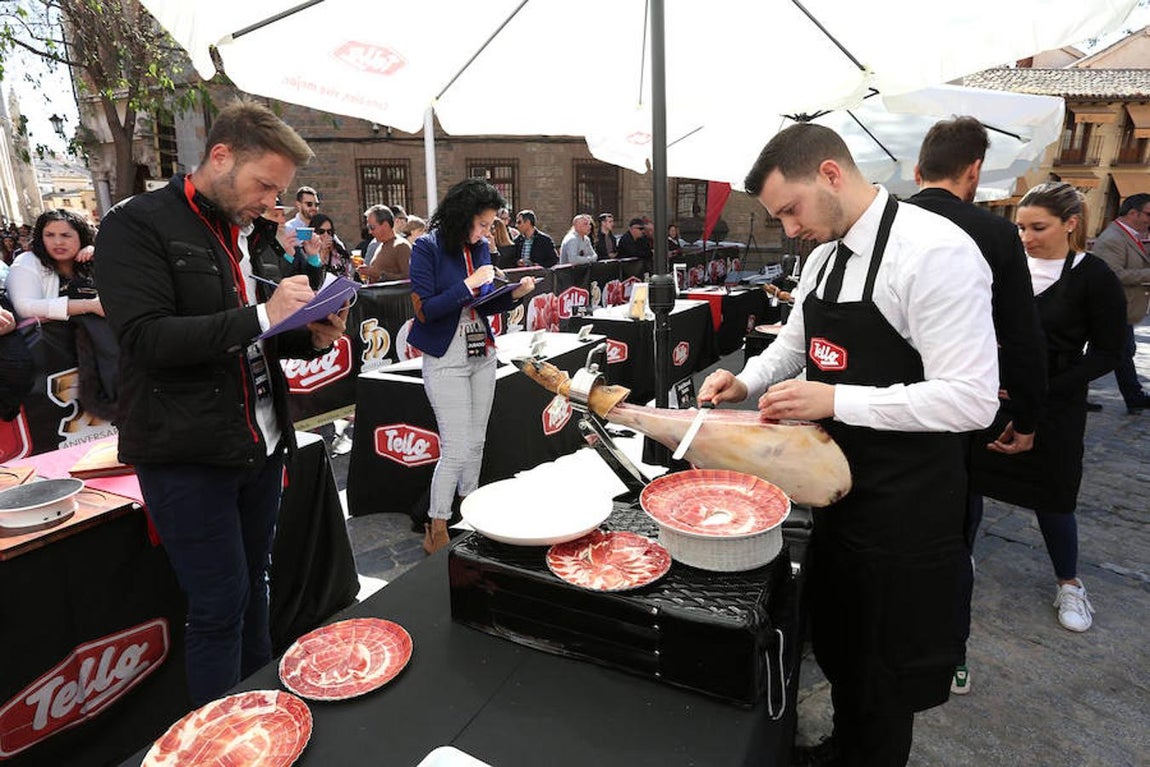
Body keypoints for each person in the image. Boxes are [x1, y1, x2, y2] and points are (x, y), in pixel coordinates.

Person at [699, 123, 998, 766]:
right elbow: (796, 345)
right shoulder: (823, 257)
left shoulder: (934, 253)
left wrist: (836, 400)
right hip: (833, 495)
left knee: (886, 670)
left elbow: (972, 397)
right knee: (843, 643)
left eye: (790, 210)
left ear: (831, 174)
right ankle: (843, 748)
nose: (787, 229)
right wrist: (744, 380)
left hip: (907, 505)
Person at [95, 99, 348, 706]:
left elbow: (246, 339)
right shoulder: (137, 225)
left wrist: (306, 330)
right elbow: (146, 339)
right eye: (265, 185)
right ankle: (222, 738)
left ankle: (263, 713)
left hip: (257, 444)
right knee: (218, 607)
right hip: (185, 452)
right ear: (221, 155)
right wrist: (264, 313)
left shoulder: (242, 232)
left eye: (279, 192)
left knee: (255, 587)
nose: (270, 202)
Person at [906, 115, 1049, 697]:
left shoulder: (882, 223)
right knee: (953, 538)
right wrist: (1029, 416)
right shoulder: (993, 235)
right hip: (957, 417)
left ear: (917, 170)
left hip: (877, 412)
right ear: (975, 171)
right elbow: (1021, 335)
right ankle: (948, 655)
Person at [972, 182, 1124, 634]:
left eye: (1038, 227)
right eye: (1020, 227)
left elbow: (1108, 352)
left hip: (1056, 405)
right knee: (970, 484)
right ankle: (962, 563)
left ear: (1070, 224)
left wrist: (1039, 392)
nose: (1025, 237)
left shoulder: (1094, 276)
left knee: (1054, 495)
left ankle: (1069, 582)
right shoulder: (1003, 269)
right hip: (989, 399)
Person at [408, 179, 536, 554]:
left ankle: (470, 512)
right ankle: (437, 524)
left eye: (489, 225)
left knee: (476, 443)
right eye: (482, 224)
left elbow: (483, 303)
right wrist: (468, 284)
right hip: (444, 358)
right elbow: (425, 310)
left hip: (482, 353)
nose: (486, 233)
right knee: (457, 447)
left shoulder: (480, 248)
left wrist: (513, 294)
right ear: (462, 216)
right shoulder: (426, 247)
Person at [6, 209, 119, 417]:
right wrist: (89, 306)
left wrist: (99, 254)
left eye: (66, 235)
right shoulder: (28, 262)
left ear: (81, 236)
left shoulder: (92, 258)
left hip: (103, 359)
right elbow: (25, 306)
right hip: (50, 367)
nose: (58, 242)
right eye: (49, 235)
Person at [1090, 192, 1150, 414]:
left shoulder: (1133, 235)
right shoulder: (1113, 238)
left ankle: (1133, 395)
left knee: (1121, 353)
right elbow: (1112, 274)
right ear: (1133, 213)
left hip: (1122, 309)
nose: (1149, 219)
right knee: (1114, 355)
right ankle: (1066, 389)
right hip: (1111, 308)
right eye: (1148, 214)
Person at [281, 212, 356, 289]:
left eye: (329, 232)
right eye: (321, 232)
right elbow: (315, 282)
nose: (326, 235)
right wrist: (319, 252)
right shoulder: (302, 253)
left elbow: (347, 274)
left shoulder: (338, 251)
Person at [361, 204, 413, 282]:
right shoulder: (381, 245)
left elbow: (409, 278)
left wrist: (380, 275)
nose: (370, 232)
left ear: (385, 225)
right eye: (369, 228)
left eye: (372, 227)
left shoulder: (401, 246)